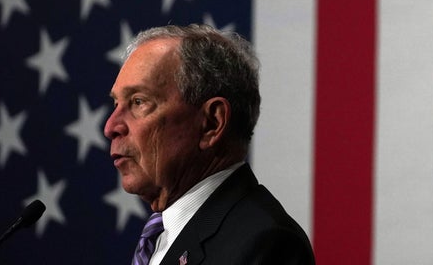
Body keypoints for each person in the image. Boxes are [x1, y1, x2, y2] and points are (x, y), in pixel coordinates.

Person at [104, 24, 315, 265]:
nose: (110, 126)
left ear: (212, 123)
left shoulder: (266, 244)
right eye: (116, 104)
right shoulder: (165, 236)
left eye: (138, 102)